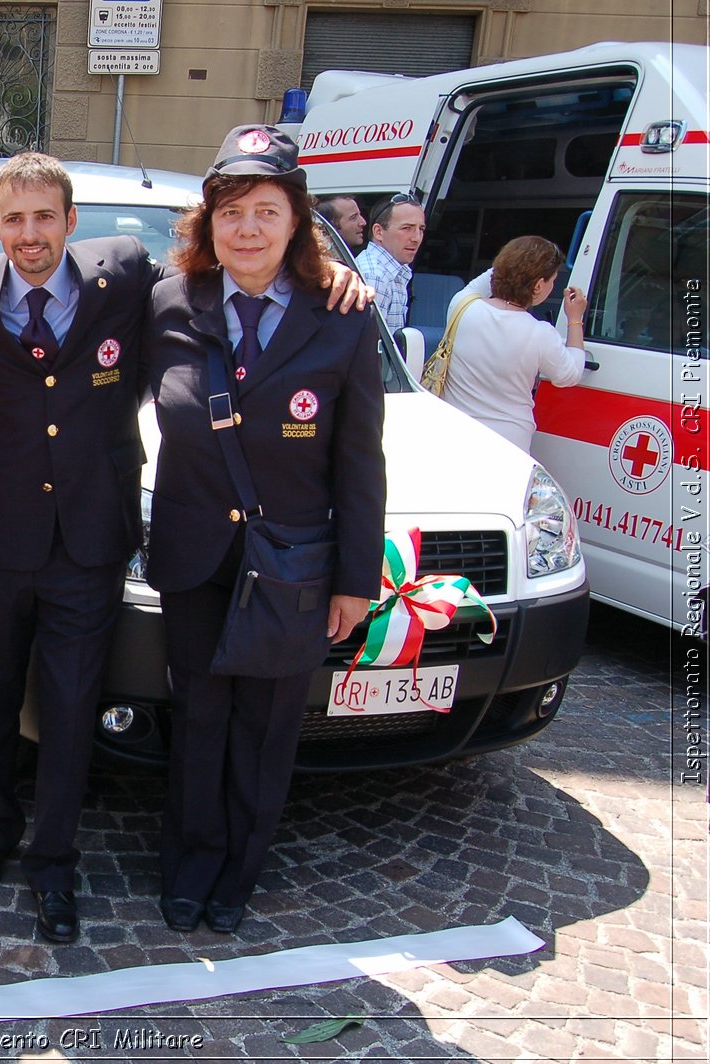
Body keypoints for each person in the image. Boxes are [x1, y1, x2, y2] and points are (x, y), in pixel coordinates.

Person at [0, 152, 371, 945]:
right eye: (14, 219)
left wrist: (342, 278)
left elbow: (355, 448)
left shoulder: (129, 278)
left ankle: (55, 863)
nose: (30, 234)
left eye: (45, 217)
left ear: (71, 223)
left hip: (96, 539)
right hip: (0, 535)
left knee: (71, 709)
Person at [144, 125, 386, 936]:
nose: (247, 228)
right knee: (200, 719)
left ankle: (238, 878)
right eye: (231, 211)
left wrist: (358, 579)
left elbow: (359, 461)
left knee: (269, 728)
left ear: (297, 221)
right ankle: (189, 869)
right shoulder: (167, 303)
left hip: (292, 563)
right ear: (207, 222)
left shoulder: (342, 317)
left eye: (267, 211)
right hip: (195, 558)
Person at [438, 236, 588, 451]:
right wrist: (575, 319)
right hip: (509, 443)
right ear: (538, 285)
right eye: (552, 280)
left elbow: (489, 277)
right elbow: (570, 374)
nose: (553, 285)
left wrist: (516, 260)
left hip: (453, 433)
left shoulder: (463, 306)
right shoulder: (539, 333)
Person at [355, 192, 427, 331]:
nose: (416, 238)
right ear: (378, 232)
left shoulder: (393, 271)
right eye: (407, 228)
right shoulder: (375, 276)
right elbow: (370, 347)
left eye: (421, 229)